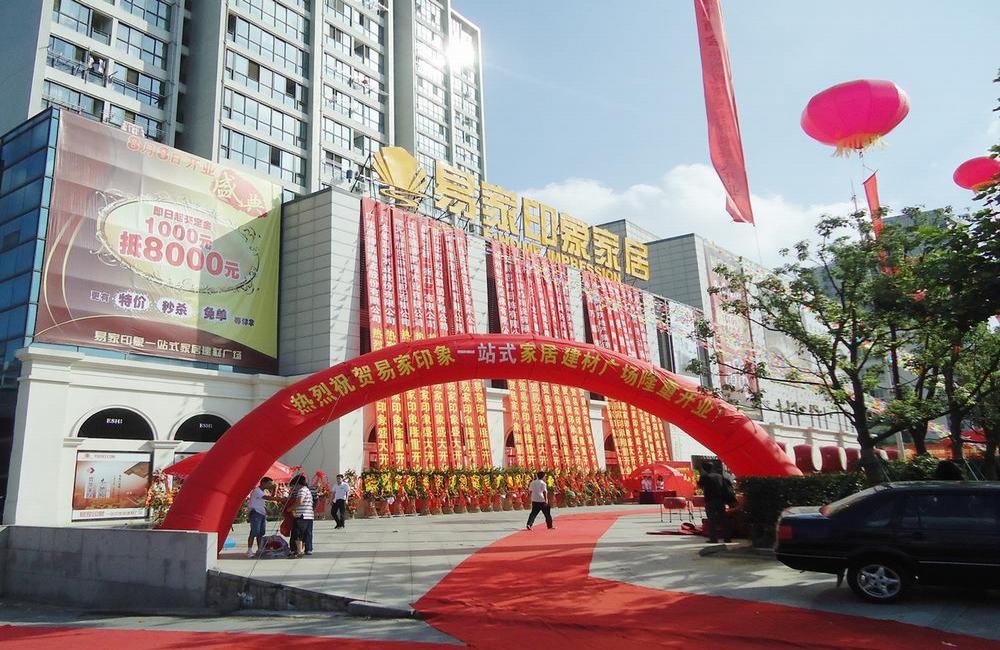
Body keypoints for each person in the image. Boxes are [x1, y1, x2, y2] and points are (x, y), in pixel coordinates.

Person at [697, 462, 732, 544]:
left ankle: (713, 538)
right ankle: (727, 538)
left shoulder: (705, 477)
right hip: (720, 500)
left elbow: (700, 486)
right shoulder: (719, 476)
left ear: (704, 469)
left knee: (711, 520)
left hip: (710, 500)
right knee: (723, 519)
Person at [247, 477, 276, 558]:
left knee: (261, 533)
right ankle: (249, 550)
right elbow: (267, 498)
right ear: (263, 483)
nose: (270, 486)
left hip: (261, 513)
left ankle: (260, 550)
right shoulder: (257, 491)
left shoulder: (263, 491)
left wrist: (266, 509)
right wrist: (280, 499)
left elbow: (260, 503)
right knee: (254, 532)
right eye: (269, 484)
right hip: (255, 513)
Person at [287, 474, 314, 557]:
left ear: (298, 484)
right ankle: (308, 549)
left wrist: (290, 508)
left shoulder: (302, 491)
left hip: (302, 515)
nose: (294, 488)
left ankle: (297, 551)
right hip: (309, 515)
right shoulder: (307, 490)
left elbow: (299, 502)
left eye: (294, 486)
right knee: (307, 533)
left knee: (297, 533)